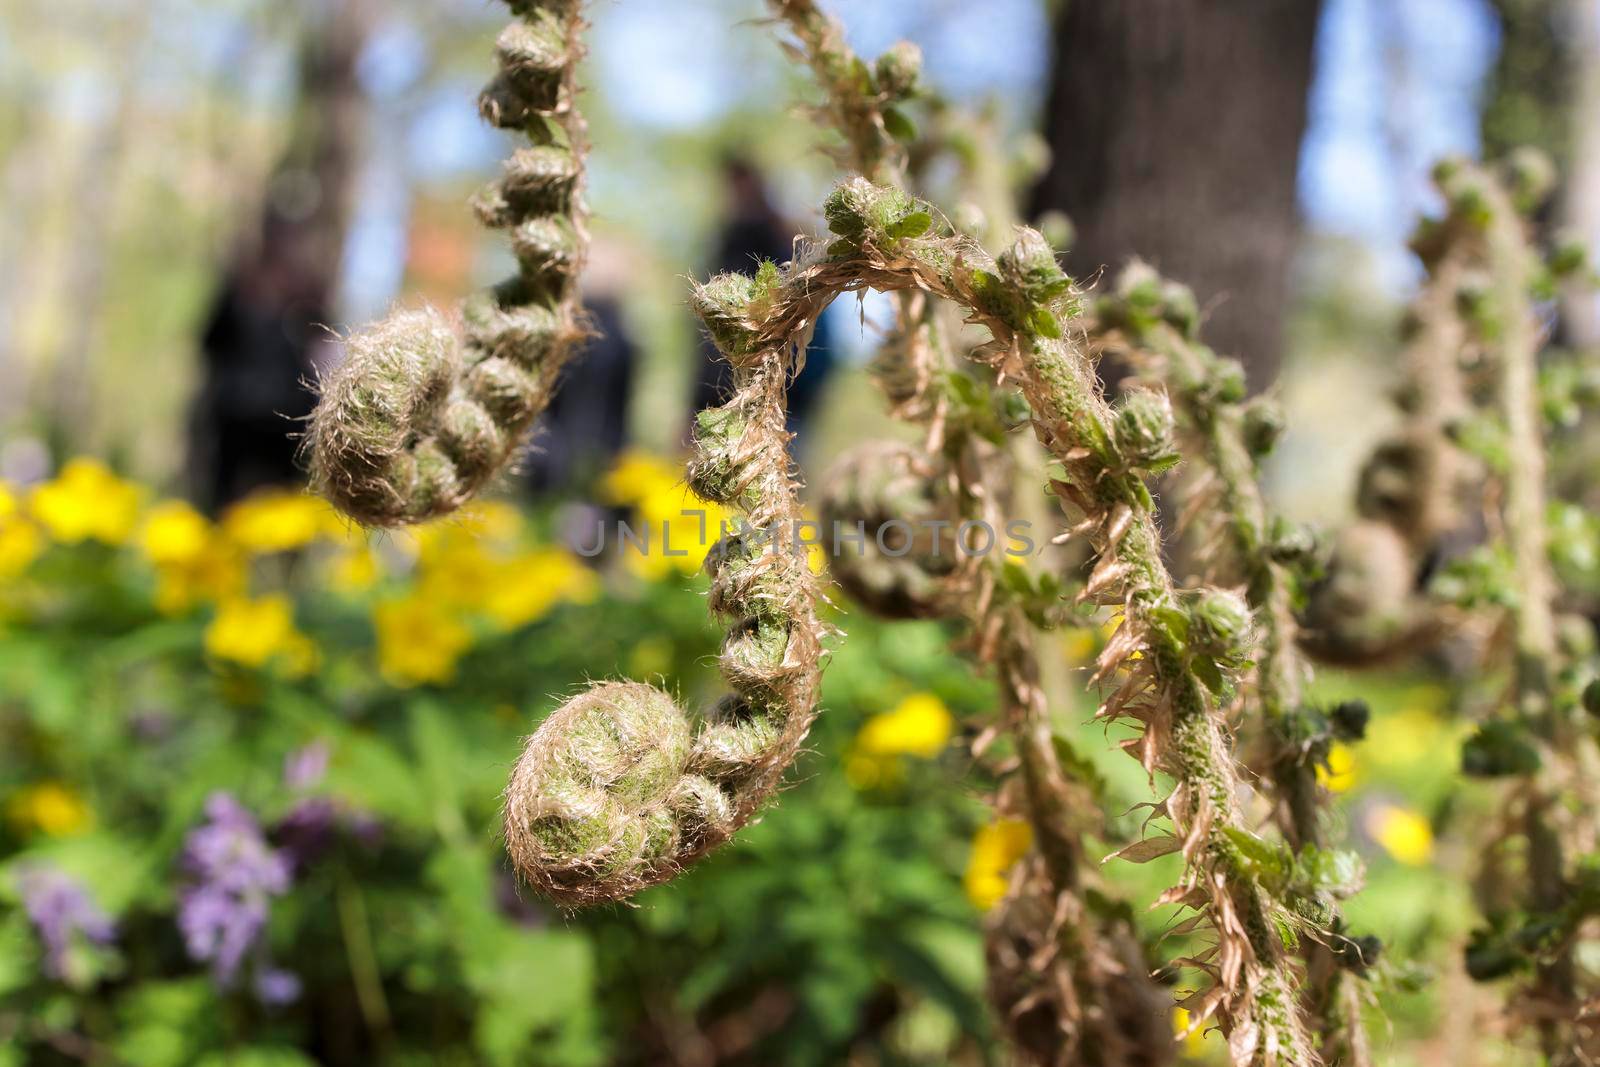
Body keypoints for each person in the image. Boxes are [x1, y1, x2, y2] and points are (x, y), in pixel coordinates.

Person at [691, 157, 837, 440]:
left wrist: (698, 401)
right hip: (781, 389)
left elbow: (718, 335)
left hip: (776, 388)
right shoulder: (785, 235)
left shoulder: (756, 241)